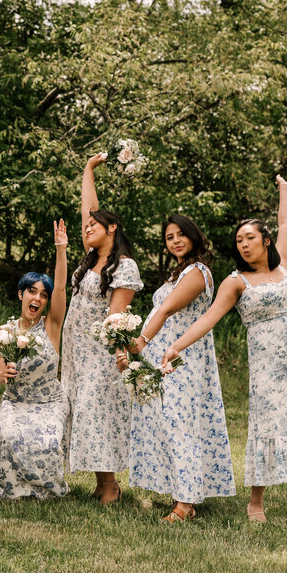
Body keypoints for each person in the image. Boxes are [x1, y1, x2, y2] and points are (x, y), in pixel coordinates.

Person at [163, 176, 287, 522]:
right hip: (266, 362)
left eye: (249, 238)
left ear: (265, 240)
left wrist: (285, 191)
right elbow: (208, 318)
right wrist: (176, 346)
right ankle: (256, 502)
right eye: (238, 241)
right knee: (266, 425)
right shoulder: (235, 281)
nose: (243, 245)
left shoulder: (283, 266)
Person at [127, 215, 235, 522]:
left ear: (193, 236)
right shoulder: (177, 273)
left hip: (183, 359)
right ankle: (181, 493)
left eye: (180, 235)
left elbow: (167, 309)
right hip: (164, 359)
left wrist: (141, 341)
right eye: (169, 237)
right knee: (167, 424)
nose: (175, 241)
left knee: (179, 425)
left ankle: (186, 504)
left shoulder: (197, 272)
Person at [63, 152, 143, 504]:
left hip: (100, 350)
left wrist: (120, 355)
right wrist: (88, 168)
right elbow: (88, 211)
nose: (87, 228)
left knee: (95, 409)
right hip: (75, 348)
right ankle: (101, 481)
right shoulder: (90, 259)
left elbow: (116, 318)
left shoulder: (124, 266)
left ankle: (111, 484)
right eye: (86, 226)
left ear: (112, 228)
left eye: (94, 225)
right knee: (82, 407)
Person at [0, 220, 71, 500]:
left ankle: (46, 489)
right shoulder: (4, 332)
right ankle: (15, 488)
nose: (37, 298)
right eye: (32, 291)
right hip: (16, 402)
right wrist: (2, 375)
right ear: (21, 295)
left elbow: (61, 289)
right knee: (9, 437)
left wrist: (61, 249)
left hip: (49, 402)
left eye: (43, 295)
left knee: (47, 442)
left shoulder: (51, 326)